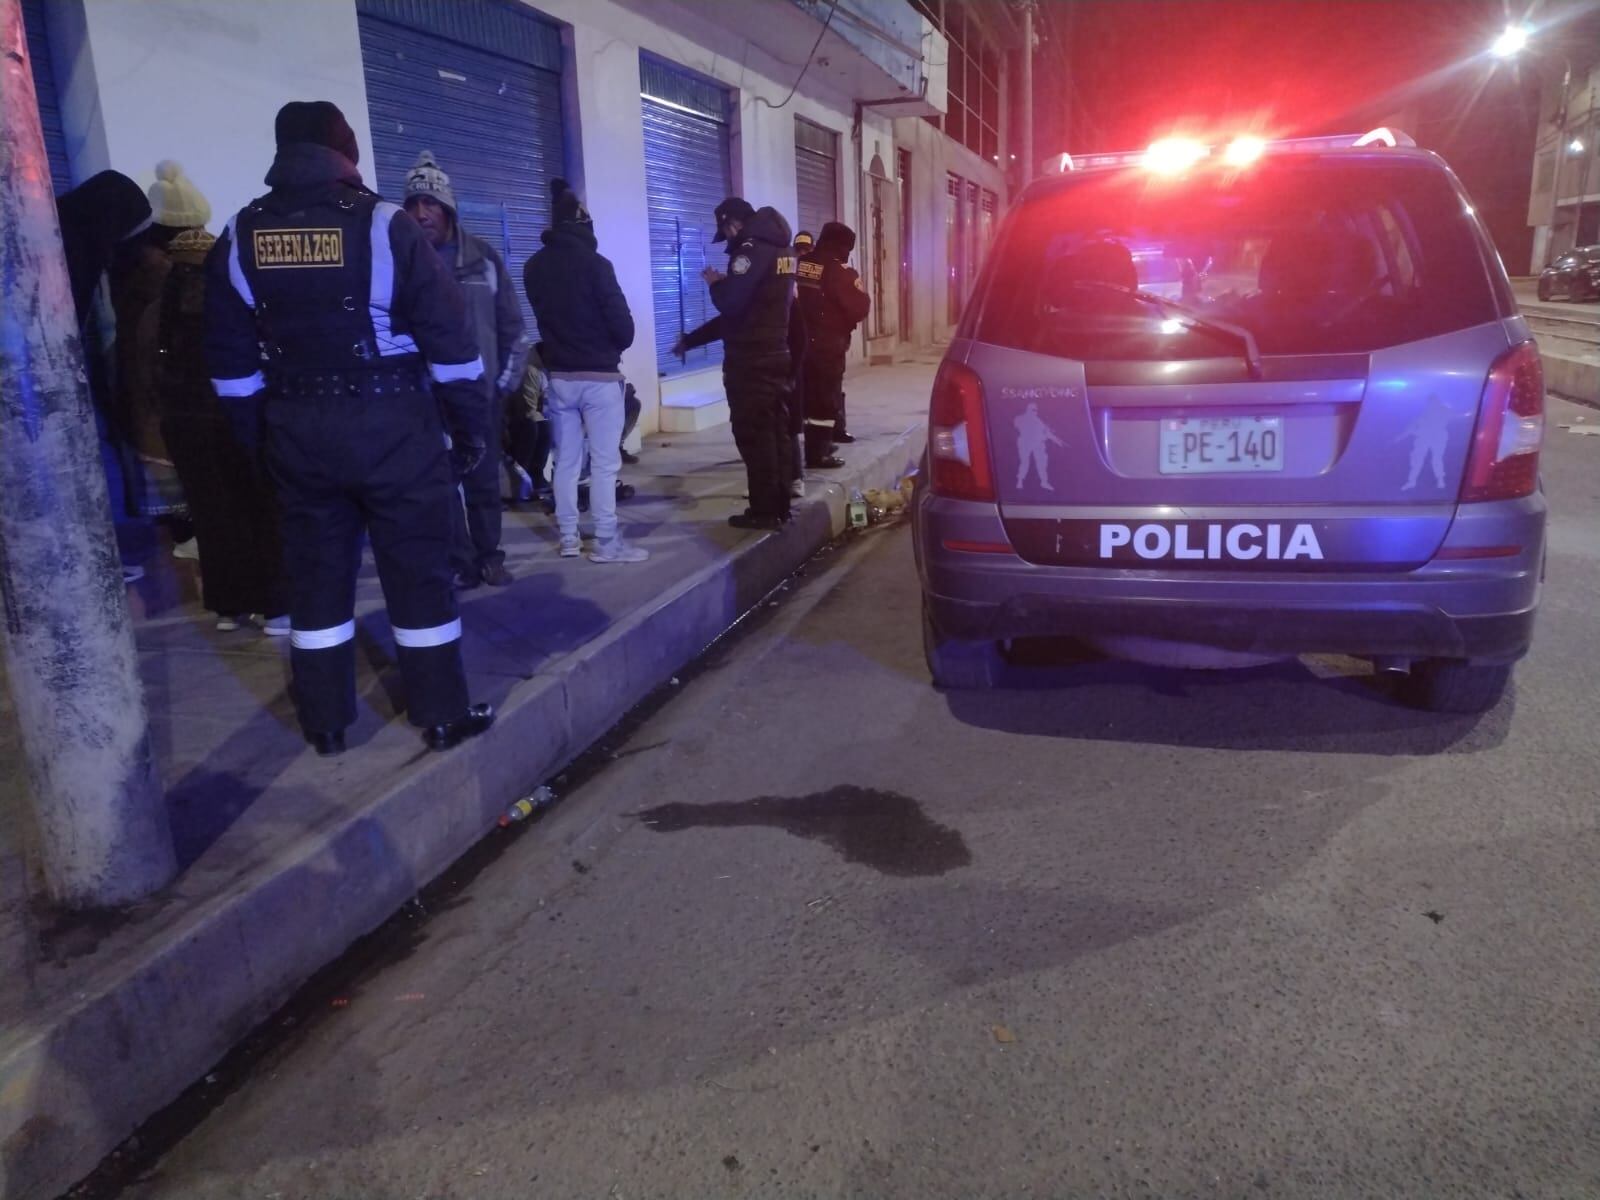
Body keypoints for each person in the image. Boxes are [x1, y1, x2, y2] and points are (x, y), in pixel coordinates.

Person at [204, 100, 495, 757]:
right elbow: (451, 345)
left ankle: (328, 723)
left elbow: (229, 363)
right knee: (418, 574)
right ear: (347, 152)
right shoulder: (388, 225)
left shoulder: (240, 232)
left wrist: (259, 438)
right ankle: (441, 714)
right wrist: (471, 430)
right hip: (395, 427)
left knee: (315, 581)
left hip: (298, 430)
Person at [145, 161, 290, 634]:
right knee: (258, 507)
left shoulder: (158, 278)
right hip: (236, 408)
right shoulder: (228, 264)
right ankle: (277, 604)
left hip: (184, 418)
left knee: (211, 513)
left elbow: (152, 354)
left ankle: (229, 604)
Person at [403, 150, 528, 590]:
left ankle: (490, 555)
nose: (421, 213)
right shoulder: (400, 262)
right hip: (427, 400)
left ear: (448, 208)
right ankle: (460, 561)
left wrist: (502, 384)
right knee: (441, 484)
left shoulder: (483, 260)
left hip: (479, 396)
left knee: (482, 479)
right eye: (414, 204)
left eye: (430, 203)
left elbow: (513, 326)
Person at [523, 178, 646, 563]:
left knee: (565, 462)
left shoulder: (534, 267)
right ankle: (606, 544)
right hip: (600, 379)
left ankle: (570, 541)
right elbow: (624, 329)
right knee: (605, 465)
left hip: (559, 379)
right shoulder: (597, 266)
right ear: (584, 226)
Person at [673, 197, 799, 531]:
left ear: (733, 224)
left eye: (726, 231)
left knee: (755, 436)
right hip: (774, 353)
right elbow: (747, 314)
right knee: (774, 435)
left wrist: (716, 284)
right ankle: (778, 506)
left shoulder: (751, 250)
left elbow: (731, 304)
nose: (727, 240)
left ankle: (764, 510)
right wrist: (692, 340)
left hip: (751, 361)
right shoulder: (783, 250)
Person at [795, 221, 870, 470]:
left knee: (812, 396)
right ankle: (819, 454)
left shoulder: (805, 264)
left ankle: (818, 445)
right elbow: (859, 306)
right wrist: (854, 280)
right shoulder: (839, 271)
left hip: (804, 340)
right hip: (828, 343)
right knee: (826, 398)